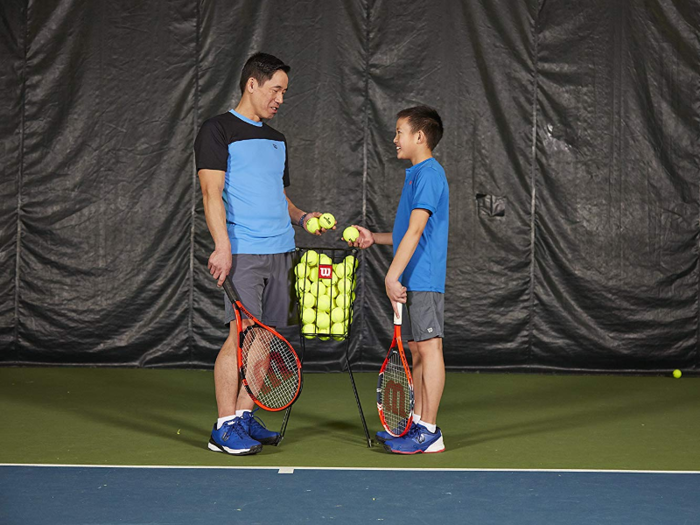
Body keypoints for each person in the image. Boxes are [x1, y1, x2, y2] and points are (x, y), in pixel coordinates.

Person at [194, 52, 332, 456]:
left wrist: (302, 217)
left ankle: (244, 414)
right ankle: (223, 427)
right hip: (245, 253)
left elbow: (278, 195)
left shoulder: (277, 140)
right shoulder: (217, 130)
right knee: (242, 336)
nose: (281, 99)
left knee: (269, 340)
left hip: (283, 251)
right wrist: (223, 246)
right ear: (252, 84)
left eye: (284, 92)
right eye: (276, 90)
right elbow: (211, 193)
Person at [350, 106, 448, 454]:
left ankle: (430, 431)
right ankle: (418, 425)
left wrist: (391, 275)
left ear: (419, 136)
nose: (394, 139)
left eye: (399, 132)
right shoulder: (415, 174)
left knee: (429, 347)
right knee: (417, 351)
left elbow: (419, 229)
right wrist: (373, 238)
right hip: (412, 275)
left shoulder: (430, 174)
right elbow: (408, 230)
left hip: (424, 275)